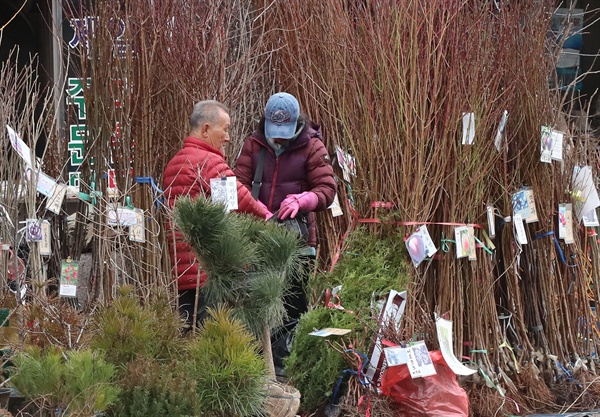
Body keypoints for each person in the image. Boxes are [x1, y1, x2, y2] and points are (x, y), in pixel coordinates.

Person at [234, 92, 336, 372]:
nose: (278, 138)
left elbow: (327, 190)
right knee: (259, 307)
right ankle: (258, 371)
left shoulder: (312, 147)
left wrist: (303, 200)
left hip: (297, 243)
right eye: (274, 131)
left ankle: (286, 372)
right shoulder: (253, 145)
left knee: (293, 309)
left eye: (284, 132)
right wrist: (254, 207)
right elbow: (237, 185)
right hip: (258, 238)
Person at [163, 100, 271, 331]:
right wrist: (269, 217)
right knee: (214, 337)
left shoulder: (175, 163)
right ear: (205, 130)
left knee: (188, 333)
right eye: (225, 129)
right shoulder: (208, 162)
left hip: (183, 270)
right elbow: (239, 203)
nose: (228, 137)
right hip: (209, 270)